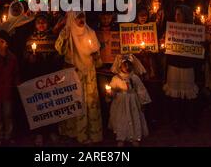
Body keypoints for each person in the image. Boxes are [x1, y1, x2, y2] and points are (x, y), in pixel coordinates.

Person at [55, 11, 103, 144]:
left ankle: (90, 133)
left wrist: (95, 56)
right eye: (78, 17)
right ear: (72, 18)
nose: (81, 20)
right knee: (74, 102)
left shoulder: (90, 32)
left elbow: (98, 59)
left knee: (90, 102)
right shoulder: (67, 33)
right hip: (73, 72)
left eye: (83, 16)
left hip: (88, 74)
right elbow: (59, 50)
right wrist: (64, 36)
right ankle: (73, 132)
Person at [23, 13, 62, 146]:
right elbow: (25, 55)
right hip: (36, 76)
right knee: (38, 105)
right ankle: (39, 132)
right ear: (35, 24)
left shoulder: (54, 38)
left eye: (43, 22)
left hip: (50, 76)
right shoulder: (30, 39)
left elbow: (59, 53)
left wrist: (55, 57)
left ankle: (52, 130)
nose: (41, 25)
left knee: (52, 104)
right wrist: (30, 59)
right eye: (38, 22)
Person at [163, 5, 201, 132]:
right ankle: (176, 119)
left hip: (187, 65)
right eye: (176, 14)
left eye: (180, 14)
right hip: (174, 65)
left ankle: (189, 118)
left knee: (188, 92)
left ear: (186, 15)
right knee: (174, 92)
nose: (177, 16)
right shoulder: (171, 29)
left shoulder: (193, 30)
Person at [107, 54, 151, 147]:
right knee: (121, 119)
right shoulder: (116, 78)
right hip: (120, 103)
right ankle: (121, 137)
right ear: (120, 66)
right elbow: (112, 90)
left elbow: (141, 90)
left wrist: (143, 102)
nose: (127, 67)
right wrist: (110, 93)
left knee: (134, 117)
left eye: (129, 65)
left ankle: (135, 137)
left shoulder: (134, 77)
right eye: (125, 65)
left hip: (133, 102)